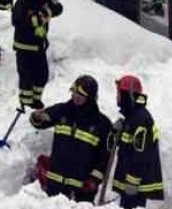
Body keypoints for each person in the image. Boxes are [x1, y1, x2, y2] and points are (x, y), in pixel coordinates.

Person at [29, 75, 113, 203]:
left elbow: (104, 157)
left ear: (90, 97)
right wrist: (37, 117)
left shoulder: (102, 124)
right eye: (73, 92)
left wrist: (94, 180)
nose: (75, 96)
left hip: (82, 189)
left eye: (80, 94)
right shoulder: (62, 110)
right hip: (55, 183)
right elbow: (40, 121)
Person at [12, 0, 63, 109]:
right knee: (26, 77)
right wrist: (37, 20)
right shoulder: (23, 1)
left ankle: (35, 100)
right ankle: (25, 103)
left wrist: (47, 12)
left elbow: (58, 7)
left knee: (42, 75)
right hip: (24, 46)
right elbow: (16, 20)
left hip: (39, 46)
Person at [112, 75, 164, 208]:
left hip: (136, 185)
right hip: (131, 182)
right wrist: (117, 131)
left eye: (119, 93)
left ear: (127, 95)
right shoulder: (131, 117)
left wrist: (132, 182)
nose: (116, 97)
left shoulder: (141, 119)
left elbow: (141, 155)